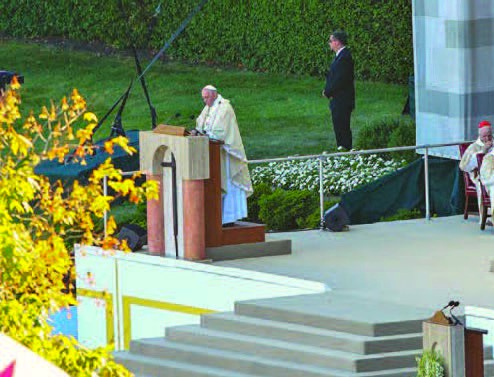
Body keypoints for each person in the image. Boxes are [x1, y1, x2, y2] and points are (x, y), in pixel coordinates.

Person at [194, 85, 253, 224]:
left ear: (214, 95)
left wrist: (207, 134)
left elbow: (221, 131)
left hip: (226, 154)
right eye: (203, 98)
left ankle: (229, 217)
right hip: (213, 153)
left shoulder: (225, 108)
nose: (205, 101)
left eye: (206, 97)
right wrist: (197, 132)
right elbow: (201, 123)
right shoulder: (208, 107)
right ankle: (219, 217)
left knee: (228, 182)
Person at [322, 30, 355, 150]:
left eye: (331, 41)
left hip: (342, 100)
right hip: (338, 99)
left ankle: (345, 150)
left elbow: (340, 80)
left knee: (342, 127)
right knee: (339, 127)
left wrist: (327, 91)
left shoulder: (344, 57)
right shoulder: (341, 56)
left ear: (337, 42)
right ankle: (342, 149)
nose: (329, 44)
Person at [460, 120, 493, 221]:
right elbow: (464, 166)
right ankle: (489, 217)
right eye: (484, 136)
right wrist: (482, 152)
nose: (487, 139)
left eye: (489, 136)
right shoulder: (473, 147)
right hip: (480, 176)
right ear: (479, 135)